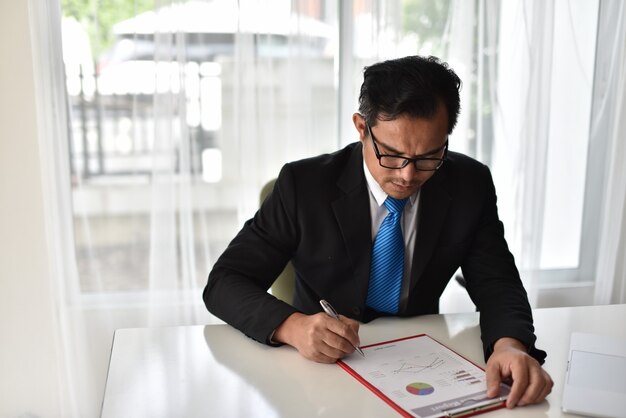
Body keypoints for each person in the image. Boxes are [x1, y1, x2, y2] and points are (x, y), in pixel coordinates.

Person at [203, 55, 553, 408]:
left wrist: (509, 346)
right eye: (391, 154)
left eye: (428, 157)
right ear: (361, 127)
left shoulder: (469, 185)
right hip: (319, 372)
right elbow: (224, 282)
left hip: (422, 361)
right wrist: (292, 326)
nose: (407, 175)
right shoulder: (304, 186)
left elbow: (498, 282)